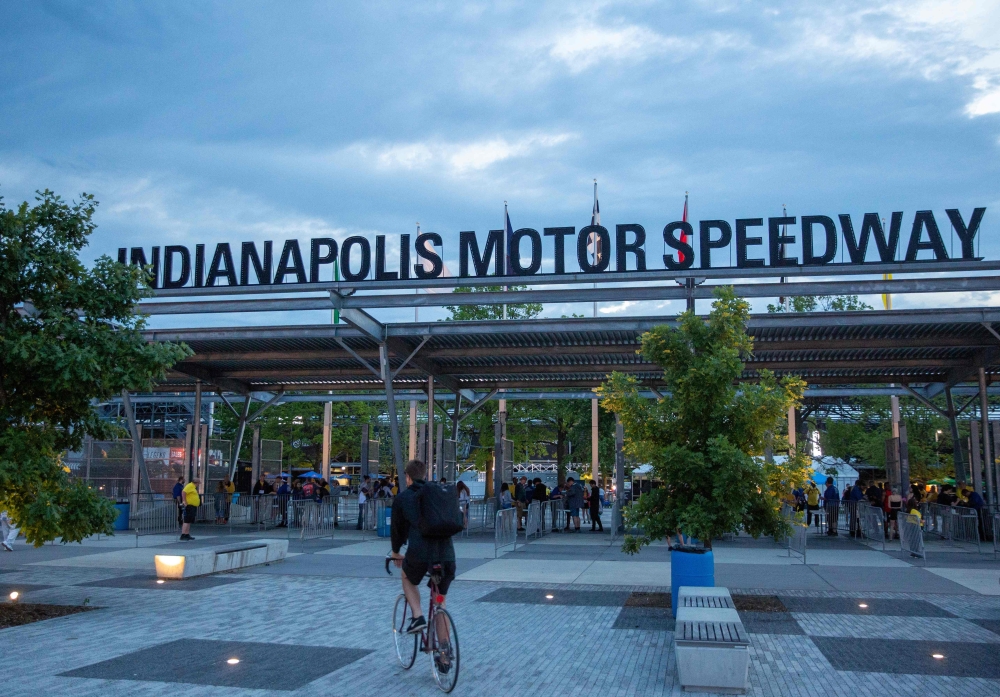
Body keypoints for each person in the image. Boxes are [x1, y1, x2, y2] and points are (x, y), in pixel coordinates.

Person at [390, 459, 457, 669]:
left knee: (407, 578)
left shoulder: (404, 498)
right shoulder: (436, 494)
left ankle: (417, 616)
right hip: (446, 556)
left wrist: (395, 553)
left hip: (420, 554)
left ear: (408, 477)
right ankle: (445, 651)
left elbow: (397, 531)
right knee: (440, 601)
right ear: (425, 474)